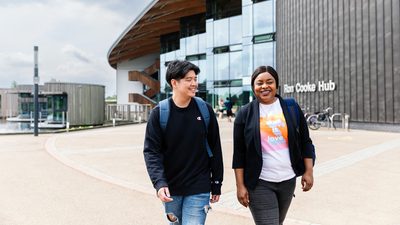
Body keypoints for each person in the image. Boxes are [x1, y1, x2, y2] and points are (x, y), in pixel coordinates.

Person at [232, 65, 315, 225]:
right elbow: (239, 154)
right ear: (253, 87)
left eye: (269, 82)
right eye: (259, 83)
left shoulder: (291, 107)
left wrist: (309, 171)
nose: (264, 86)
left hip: (288, 180)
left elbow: (306, 142)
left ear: (276, 85)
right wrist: (240, 186)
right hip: (259, 182)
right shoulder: (244, 113)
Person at [143, 60, 224, 225]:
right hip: (171, 187)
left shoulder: (205, 110)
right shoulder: (159, 114)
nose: (194, 83)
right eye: (188, 79)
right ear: (174, 82)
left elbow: (215, 147)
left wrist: (216, 182)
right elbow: (151, 151)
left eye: (195, 79)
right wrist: (159, 182)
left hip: (199, 186)